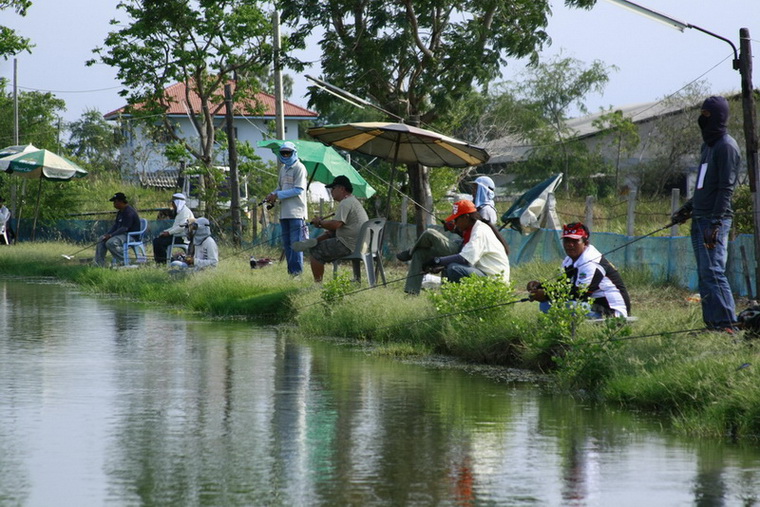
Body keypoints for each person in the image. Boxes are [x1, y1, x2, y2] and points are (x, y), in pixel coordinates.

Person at [671, 96, 740, 332]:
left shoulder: (727, 146)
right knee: (704, 274)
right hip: (700, 218)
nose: (702, 119)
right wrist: (688, 208)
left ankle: (728, 324)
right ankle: (712, 324)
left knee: (714, 271)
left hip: (714, 220)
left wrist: (717, 223)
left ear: (719, 117)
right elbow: (703, 186)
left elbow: (725, 188)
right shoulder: (707, 147)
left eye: (707, 115)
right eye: (702, 114)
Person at [527, 222, 631, 318]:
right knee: (546, 305)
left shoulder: (590, 261)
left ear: (585, 243)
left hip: (612, 311)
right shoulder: (569, 260)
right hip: (593, 304)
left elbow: (580, 294)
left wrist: (546, 294)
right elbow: (563, 287)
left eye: (575, 241)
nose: (570, 244)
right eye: (567, 240)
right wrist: (540, 286)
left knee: (569, 306)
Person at [293, 175, 369, 282]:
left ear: (342, 189)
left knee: (315, 252)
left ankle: (317, 286)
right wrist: (322, 227)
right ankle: (313, 241)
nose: (331, 191)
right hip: (360, 244)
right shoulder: (353, 201)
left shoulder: (345, 203)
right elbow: (335, 229)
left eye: (333, 188)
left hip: (349, 245)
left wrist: (320, 222)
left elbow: (335, 224)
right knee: (330, 233)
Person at [265, 141, 308, 276]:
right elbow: (280, 188)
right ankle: (291, 273)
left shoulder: (299, 167)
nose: (285, 155)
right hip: (284, 213)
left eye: (288, 152)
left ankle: (297, 274)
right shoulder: (283, 169)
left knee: (296, 245)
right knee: (288, 244)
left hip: (296, 212)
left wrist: (277, 195)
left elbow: (298, 190)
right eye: (283, 152)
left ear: (294, 152)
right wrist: (272, 194)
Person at [94, 192, 141, 266]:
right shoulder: (120, 212)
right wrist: (107, 234)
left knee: (111, 242)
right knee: (101, 239)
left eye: (115, 202)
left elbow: (124, 228)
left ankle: (124, 261)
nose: (114, 204)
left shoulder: (129, 212)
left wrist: (111, 235)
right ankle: (99, 263)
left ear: (121, 201)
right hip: (121, 235)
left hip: (130, 236)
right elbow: (116, 226)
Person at [153, 192, 195, 264]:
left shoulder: (185, 212)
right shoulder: (181, 211)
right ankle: (162, 260)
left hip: (182, 237)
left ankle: (163, 262)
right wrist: (165, 231)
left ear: (177, 202)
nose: (172, 205)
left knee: (158, 242)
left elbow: (181, 227)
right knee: (157, 240)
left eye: (173, 203)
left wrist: (169, 233)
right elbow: (175, 227)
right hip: (177, 235)